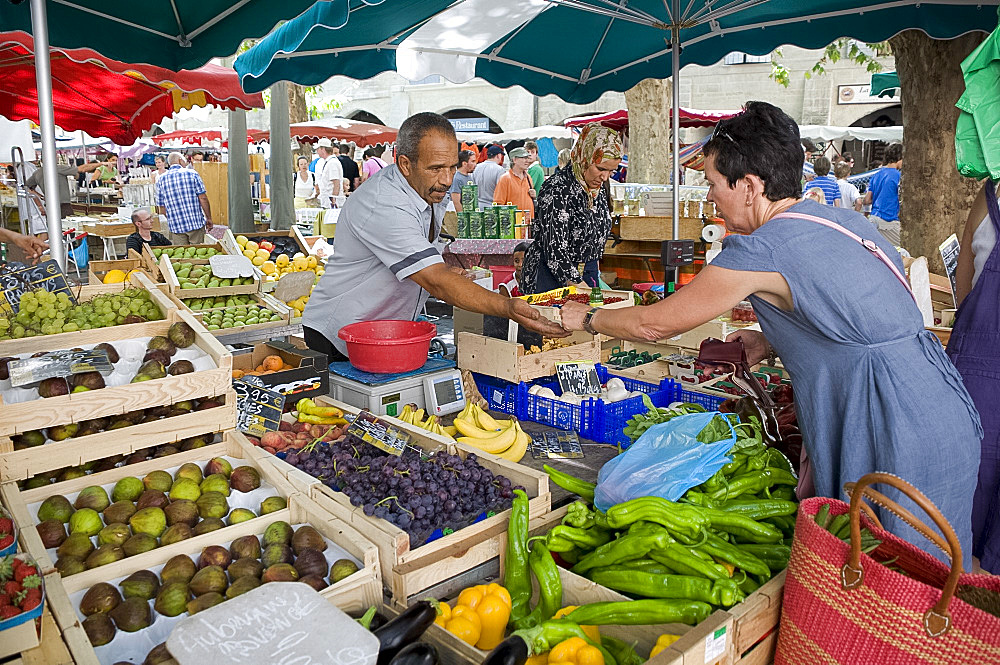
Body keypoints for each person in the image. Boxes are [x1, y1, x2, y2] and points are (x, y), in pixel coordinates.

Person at [558, 101, 981, 569]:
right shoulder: (844, 222)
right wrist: (770, 340)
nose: (711, 196)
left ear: (750, 187)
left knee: (884, 589)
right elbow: (856, 317)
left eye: (714, 184)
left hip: (888, 425)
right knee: (931, 588)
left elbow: (655, 323)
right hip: (941, 411)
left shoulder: (760, 248)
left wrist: (585, 319)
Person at [301, 112, 565, 363]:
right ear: (405, 164)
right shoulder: (384, 202)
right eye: (436, 168)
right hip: (338, 336)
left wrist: (447, 270)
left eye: (451, 167)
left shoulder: (425, 189)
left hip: (385, 332)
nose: (447, 179)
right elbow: (435, 281)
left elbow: (418, 260)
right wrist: (508, 308)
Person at [949, 178, 1000, 573]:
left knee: (965, 514)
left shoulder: (988, 197)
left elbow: (963, 293)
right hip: (981, 374)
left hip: (977, 380)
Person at [520, 123, 622, 294]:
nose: (605, 177)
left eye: (611, 171)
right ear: (584, 157)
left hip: (586, 275)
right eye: (600, 168)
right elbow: (554, 248)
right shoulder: (556, 188)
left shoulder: (597, 189)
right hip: (550, 279)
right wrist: (580, 287)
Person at [25, 159, 103, 240]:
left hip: (49, 206)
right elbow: (82, 168)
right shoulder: (58, 168)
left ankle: (57, 250)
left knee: (53, 232)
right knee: (68, 232)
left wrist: (40, 197)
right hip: (63, 205)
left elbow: (27, 187)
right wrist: (101, 163)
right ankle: (67, 251)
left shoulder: (38, 172)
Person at [154, 152, 213, 245]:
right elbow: (203, 198)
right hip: (195, 223)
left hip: (176, 226)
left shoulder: (161, 179)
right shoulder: (192, 174)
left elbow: (162, 208)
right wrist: (209, 218)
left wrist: (172, 218)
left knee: (182, 256)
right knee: (199, 254)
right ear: (180, 160)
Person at [864, 142, 903, 244]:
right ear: (899, 158)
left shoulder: (876, 175)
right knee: (906, 248)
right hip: (889, 221)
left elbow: (867, 200)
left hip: (873, 218)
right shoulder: (899, 176)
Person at [492, 147, 535, 218]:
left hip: (528, 224)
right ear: (514, 160)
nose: (527, 161)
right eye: (524, 158)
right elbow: (498, 205)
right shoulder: (505, 179)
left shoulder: (528, 177)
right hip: (513, 225)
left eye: (527, 158)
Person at [473, 145, 506, 209]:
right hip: (491, 207)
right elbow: (501, 190)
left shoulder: (476, 167)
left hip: (477, 206)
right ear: (498, 155)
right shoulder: (500, 170)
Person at [314, 139, 343, 209]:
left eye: (318, 149)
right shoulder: (329, 162)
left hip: (332, 204)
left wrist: (333, 201)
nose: (317, 151)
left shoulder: (332, 163)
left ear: (323, 149)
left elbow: (336, 183)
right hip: (328, 202)